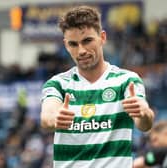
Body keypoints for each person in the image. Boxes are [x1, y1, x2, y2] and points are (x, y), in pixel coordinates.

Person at [40, 5, 154, 168]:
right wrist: (54, 118)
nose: (81, 51)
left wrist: (143, 113)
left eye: (87, 41)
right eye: (73, 44)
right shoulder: (58, 83)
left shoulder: (126, 80)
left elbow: (143, 124)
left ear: (102, 37)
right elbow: (47, 115)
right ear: (66, 45)